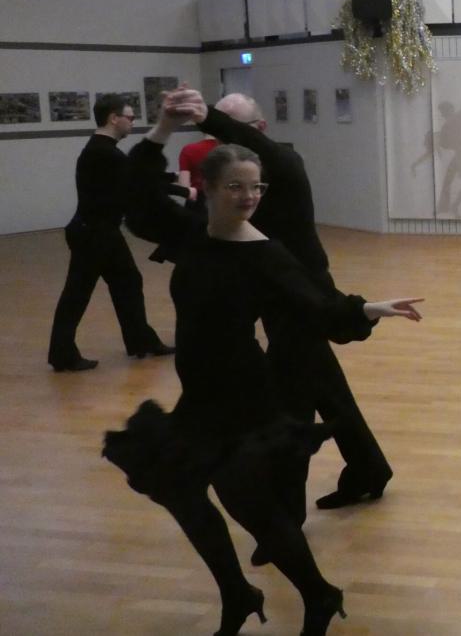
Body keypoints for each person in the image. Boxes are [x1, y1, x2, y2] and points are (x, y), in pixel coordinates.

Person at [106, 113, 423, 636]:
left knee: (251, 508)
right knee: (181, 492)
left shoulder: (264, 252)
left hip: (244, 398)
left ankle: (317, 595)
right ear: (208, 187)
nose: (249, 196)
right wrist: (160, 128)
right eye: (236, 186)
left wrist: (368, 309)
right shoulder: (190, 233)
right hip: (200, 395)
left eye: (256, 187)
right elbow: (136, 197)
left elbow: (317, 307)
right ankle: (239, 593)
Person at [165, 88, 393, 514]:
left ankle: (288, 512)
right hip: (276, 291)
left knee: (294, 401)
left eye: (237, 132)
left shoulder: (284, 164)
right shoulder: (242, 179)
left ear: (260, 129)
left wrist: (207, 116)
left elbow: (256, 153)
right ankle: (368, 468)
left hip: (302, 294)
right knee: (325, 388)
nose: (229, 147)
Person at [47, 93, 174, 372]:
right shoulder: (104, 153)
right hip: (94, 234)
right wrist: (181, 188)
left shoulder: (102, 150)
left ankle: (140, 340)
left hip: (98, 231)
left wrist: (173, 183)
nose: (132, 122)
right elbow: (139, 182)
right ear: (114, 118)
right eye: (130, 117)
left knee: (127, 282)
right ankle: (63, 353)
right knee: (78, 293)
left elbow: (136, 179)